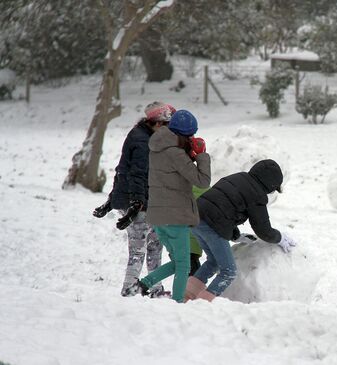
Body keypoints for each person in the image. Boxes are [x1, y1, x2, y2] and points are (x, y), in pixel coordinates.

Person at [92, 101, 176, 297]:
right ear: (156, 124)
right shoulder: (143, 142)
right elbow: (135, 174)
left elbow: (121, 170)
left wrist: (112, 200)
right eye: (167, 128)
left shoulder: (142, 135)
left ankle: (155, 288)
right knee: (138, 251)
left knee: (155, 245)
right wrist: (135, 206)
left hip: (148, 203)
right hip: (139, 205)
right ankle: (129, 288)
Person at [183, 159, 297, 303]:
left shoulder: (239, 177)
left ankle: (186, 296)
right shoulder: (257, 194)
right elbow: (264, 231)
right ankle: (203, 304)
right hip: (212, 225)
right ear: (270, 184)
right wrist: (280, 238)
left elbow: (223, 208)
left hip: (196, 218)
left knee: (214, 261)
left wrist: (236, 235)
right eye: (274, 188)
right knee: (228, 271)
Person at [134, 109, 211, 303]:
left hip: (158, 217)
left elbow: (176, 173)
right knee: (184, 265)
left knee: (178, 262)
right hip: (175, 217)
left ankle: (144, 283)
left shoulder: (158, 148)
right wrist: (201, 155)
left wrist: (189, 155)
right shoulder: (176, 154)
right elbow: (202, 181)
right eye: (191, 135)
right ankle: (178, 304)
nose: (192, 138)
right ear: (184, 134)